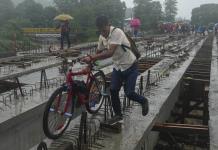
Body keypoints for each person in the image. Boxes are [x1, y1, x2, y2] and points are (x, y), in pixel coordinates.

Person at [82, 15, 149, 124]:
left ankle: (143, 101)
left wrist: (92, 57)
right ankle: (118, 115)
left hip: (131, 66)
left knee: (129, 93)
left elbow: (110, 52)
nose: (103, 33)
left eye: (104, 30)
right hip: (118, 67)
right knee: (113, 90)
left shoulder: (117, 32)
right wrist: (90, 64)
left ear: (109, 24)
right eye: (100, 31)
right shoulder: (101, 37)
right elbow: (98, 53)